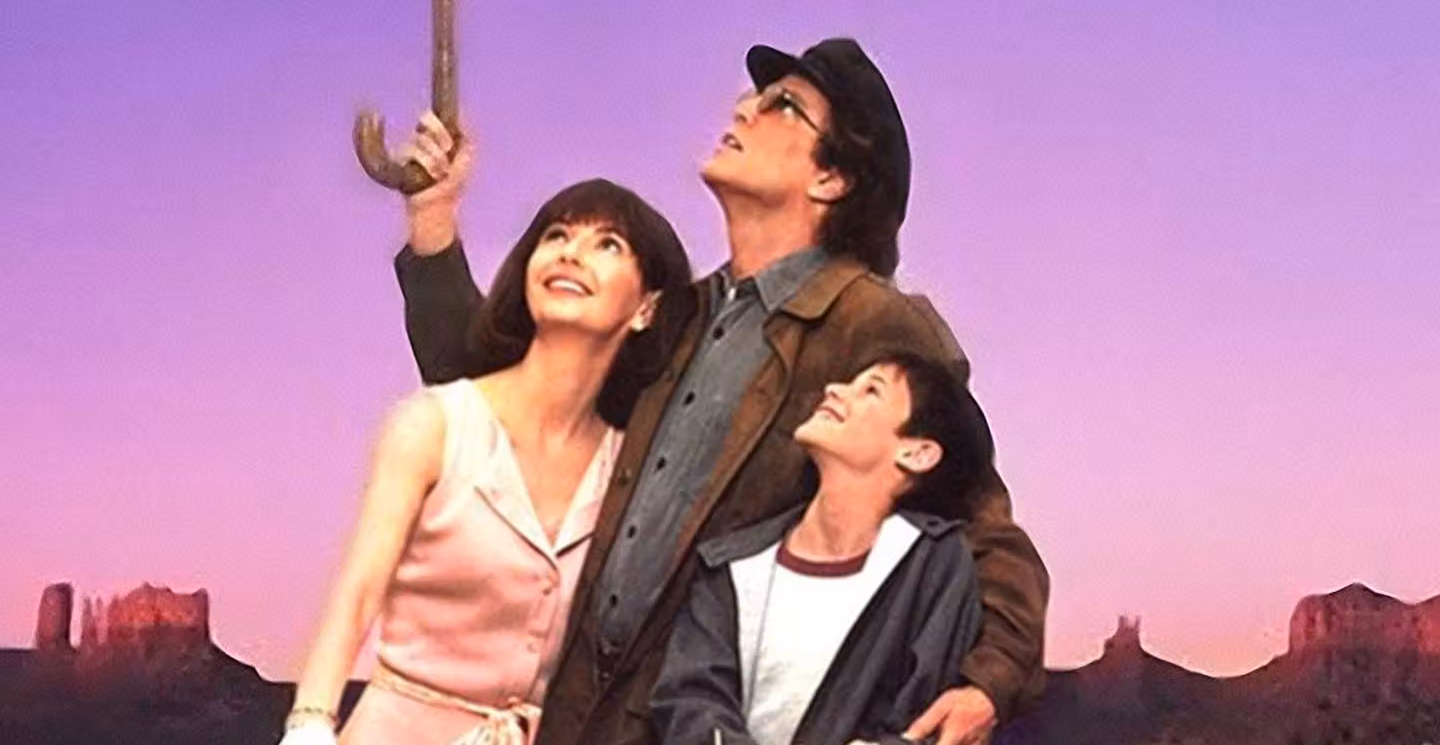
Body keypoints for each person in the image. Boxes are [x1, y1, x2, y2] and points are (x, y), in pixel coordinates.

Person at [395, 38, 1049, 745]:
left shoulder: (876, 325)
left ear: (832, 179)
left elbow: (981, 525)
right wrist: (434, 216)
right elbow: (499, 406)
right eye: (752, 97)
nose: (743, 109)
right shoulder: (674, 313)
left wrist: (988, 681)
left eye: (782, 106)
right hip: (574, 714)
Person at [279, 165, 694, 745]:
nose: (572, 253)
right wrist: (310, 723)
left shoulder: (631, 471)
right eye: (557, 235)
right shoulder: (433, 424)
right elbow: (357, 593)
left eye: (608, 244)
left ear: (647, 307)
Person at [651, 353, 994, 745]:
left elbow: (922, 721)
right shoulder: (732, 566)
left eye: (871, 390)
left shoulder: (933, 564)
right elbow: (690, 700)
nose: (834, 389)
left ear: (917, 453)